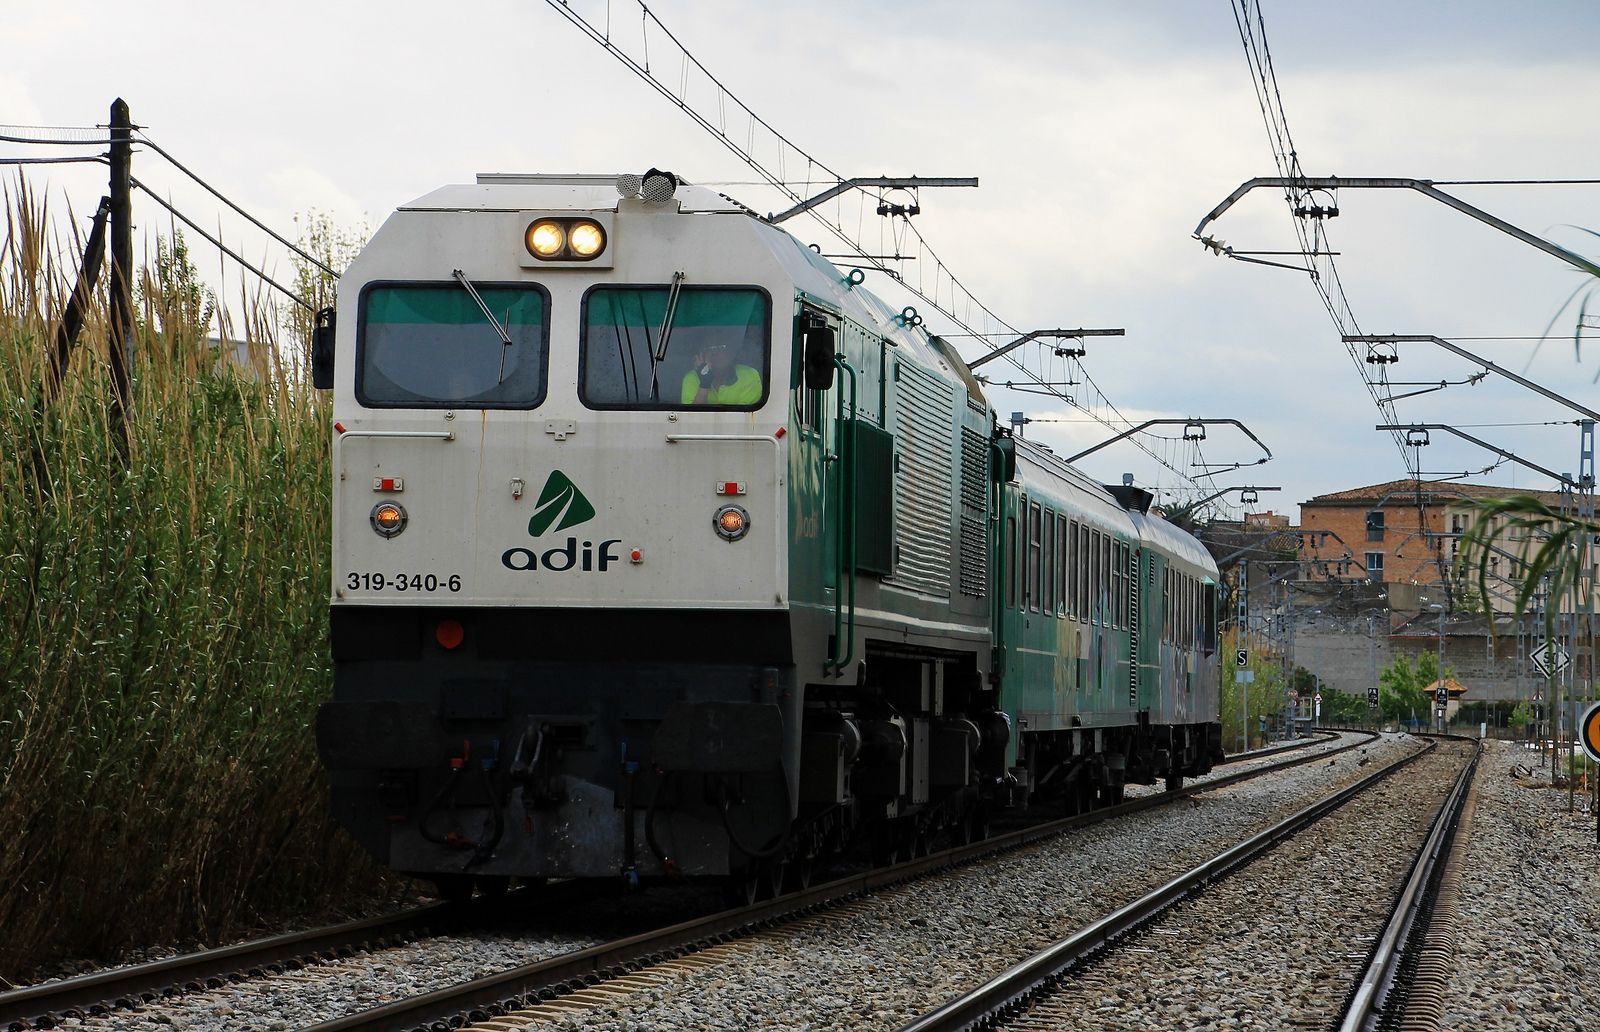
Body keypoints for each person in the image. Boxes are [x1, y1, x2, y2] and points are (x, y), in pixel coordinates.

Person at [681, 343, 762, 405]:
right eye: (710, 349)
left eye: (721, 347)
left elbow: (743, 419)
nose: (715, 353)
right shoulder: (691, 378)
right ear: (701, 355)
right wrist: (704, 384)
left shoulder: (749, 375)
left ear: (731, 353)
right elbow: (691, 418)